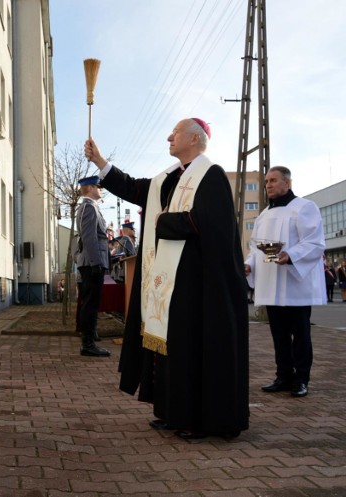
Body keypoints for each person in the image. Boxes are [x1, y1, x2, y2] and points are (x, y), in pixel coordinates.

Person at [84, 118, 249, 439]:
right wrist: (100, 162)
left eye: (175, 133)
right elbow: (133, 188)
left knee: (193, 349)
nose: (169, 137)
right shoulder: (167, 179)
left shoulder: (210, 175)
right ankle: (174, 411)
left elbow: (213, 225)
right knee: (172, 348)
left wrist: (165, 221)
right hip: (170, 284)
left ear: (194, 139)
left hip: (198, 285)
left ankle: (200, 419)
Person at [245, 166, 326, 398]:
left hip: (294, 284)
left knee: (300, 334)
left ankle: (301, 379)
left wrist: (291, 255)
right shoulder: (263, 215)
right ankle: (283, 376)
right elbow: (256, 247)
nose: (268, 185)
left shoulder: (304, 207)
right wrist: (250, 263)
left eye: (273, 180)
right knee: (278, 334)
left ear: (287, 183)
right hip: (272, 283)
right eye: (266, 181)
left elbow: (314, 242)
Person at [75, 176, 111, 357]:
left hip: (91, 262)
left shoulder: (91, 207)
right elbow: (89, 237)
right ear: (90, 188)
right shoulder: (88, 207)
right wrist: (97, 262)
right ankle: (87, 344)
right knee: (90, 304)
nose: (101, 189)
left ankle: (89, 339)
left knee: (91, 303)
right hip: (92, 263)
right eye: (98, 186)